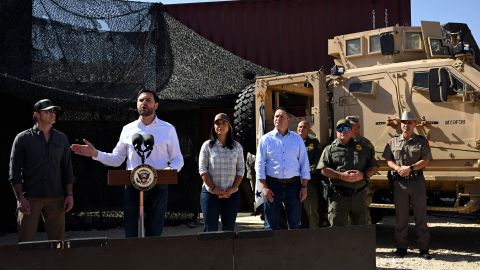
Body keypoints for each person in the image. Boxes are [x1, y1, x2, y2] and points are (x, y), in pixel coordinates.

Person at [70, 88, 183, 237]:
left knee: (155, 232)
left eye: (148, 100)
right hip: (132, 185)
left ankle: (151, 259)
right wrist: (95, 153)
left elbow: (177, 158)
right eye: (141, 100)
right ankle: (133, 258)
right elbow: (117, 159)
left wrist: (168, 171)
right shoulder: (128, 129)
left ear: (156, 105)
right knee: (131, 232)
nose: (144, 103)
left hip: (158, 185)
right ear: (137, 104)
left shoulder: (168, 129)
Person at [9, 99, 75, 242]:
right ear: (37, 115)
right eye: (48, 111)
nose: (53, 114)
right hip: (30, 198)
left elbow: (67, 168)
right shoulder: (22, 138)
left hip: (56, 197)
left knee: (58, 243)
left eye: (54, 111)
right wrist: (20, 198)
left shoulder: (62, 138)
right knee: (26, 242)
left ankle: (56, 265)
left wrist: (69, 194)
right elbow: (14, 171)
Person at [382, 111, 432, 259]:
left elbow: (426, 160)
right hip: (400, 184)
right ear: (400, 124)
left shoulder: (422, 141)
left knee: (420, 217)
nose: (406, 125)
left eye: (409, 122)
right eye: (404, 122)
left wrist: (410, 168)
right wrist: (397, 168)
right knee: (401, 218)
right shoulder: (393, 141)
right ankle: (401, 248)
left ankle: (424, 249)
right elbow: (388, 159)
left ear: (415, 124)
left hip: (417, 182)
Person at [255, 108, 310, 230]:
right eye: (276, 116)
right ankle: (272, 249)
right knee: (271, 225)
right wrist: (264, 187)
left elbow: (304, 163)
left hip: (293, 186)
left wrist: (304, 186)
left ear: (288, 120)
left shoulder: (297, 139)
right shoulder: (266, 139)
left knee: (295, 224)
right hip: (272, 185)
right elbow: (259, 164)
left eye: (281, 116)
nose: (277, 119)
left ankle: (293, 248)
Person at [317, 118, 377, 226]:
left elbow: (373, 167)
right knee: (337, 231)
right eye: (340, 129)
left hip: (359, 196)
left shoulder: (363, 147)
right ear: (336, 131)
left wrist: (363, 175)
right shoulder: (329, 149)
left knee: (362, 230)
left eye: (346, 128)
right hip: (339, 197)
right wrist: (341, 176)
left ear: (351, 130)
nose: (343, 131)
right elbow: (323, 169)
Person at [198, 113, 245, 231]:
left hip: (231, 194)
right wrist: (214, 189)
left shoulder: (237, 146)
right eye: (217, 123)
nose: (220, 125)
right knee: (210, 230)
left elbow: (241, 170)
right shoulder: (207, 146)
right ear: (213, 127)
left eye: (224, 123)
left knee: (229, 230)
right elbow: (203, 170)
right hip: (210, 194)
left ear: (229, 126)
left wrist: (233, 188)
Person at [297, 120, 328, 228]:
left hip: (308, 183)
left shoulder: (314, 144)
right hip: (292, 182)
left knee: (311, 211)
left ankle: (314, 235)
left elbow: (316, 164)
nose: (301, 129)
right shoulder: (290, 142)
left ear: (309, 129)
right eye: (299, 127)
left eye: (304, 127)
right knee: (295, 212)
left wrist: (303, 176)